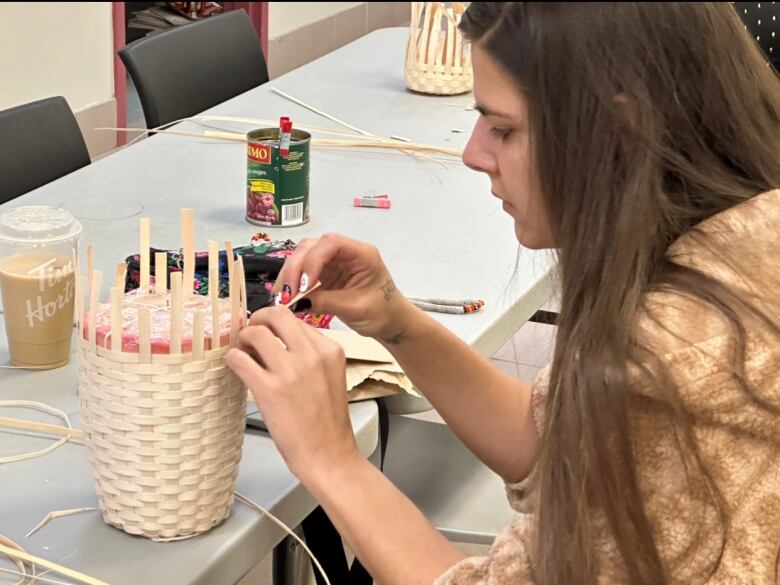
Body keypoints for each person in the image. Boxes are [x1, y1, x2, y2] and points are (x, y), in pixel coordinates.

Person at [225, 3, 780, 583]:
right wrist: (399, 322)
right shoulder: (742, 247)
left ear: (619, 131)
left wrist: (332, 459)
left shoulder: (672, 363)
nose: (472, 154)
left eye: (504, 128)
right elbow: (551, 444)